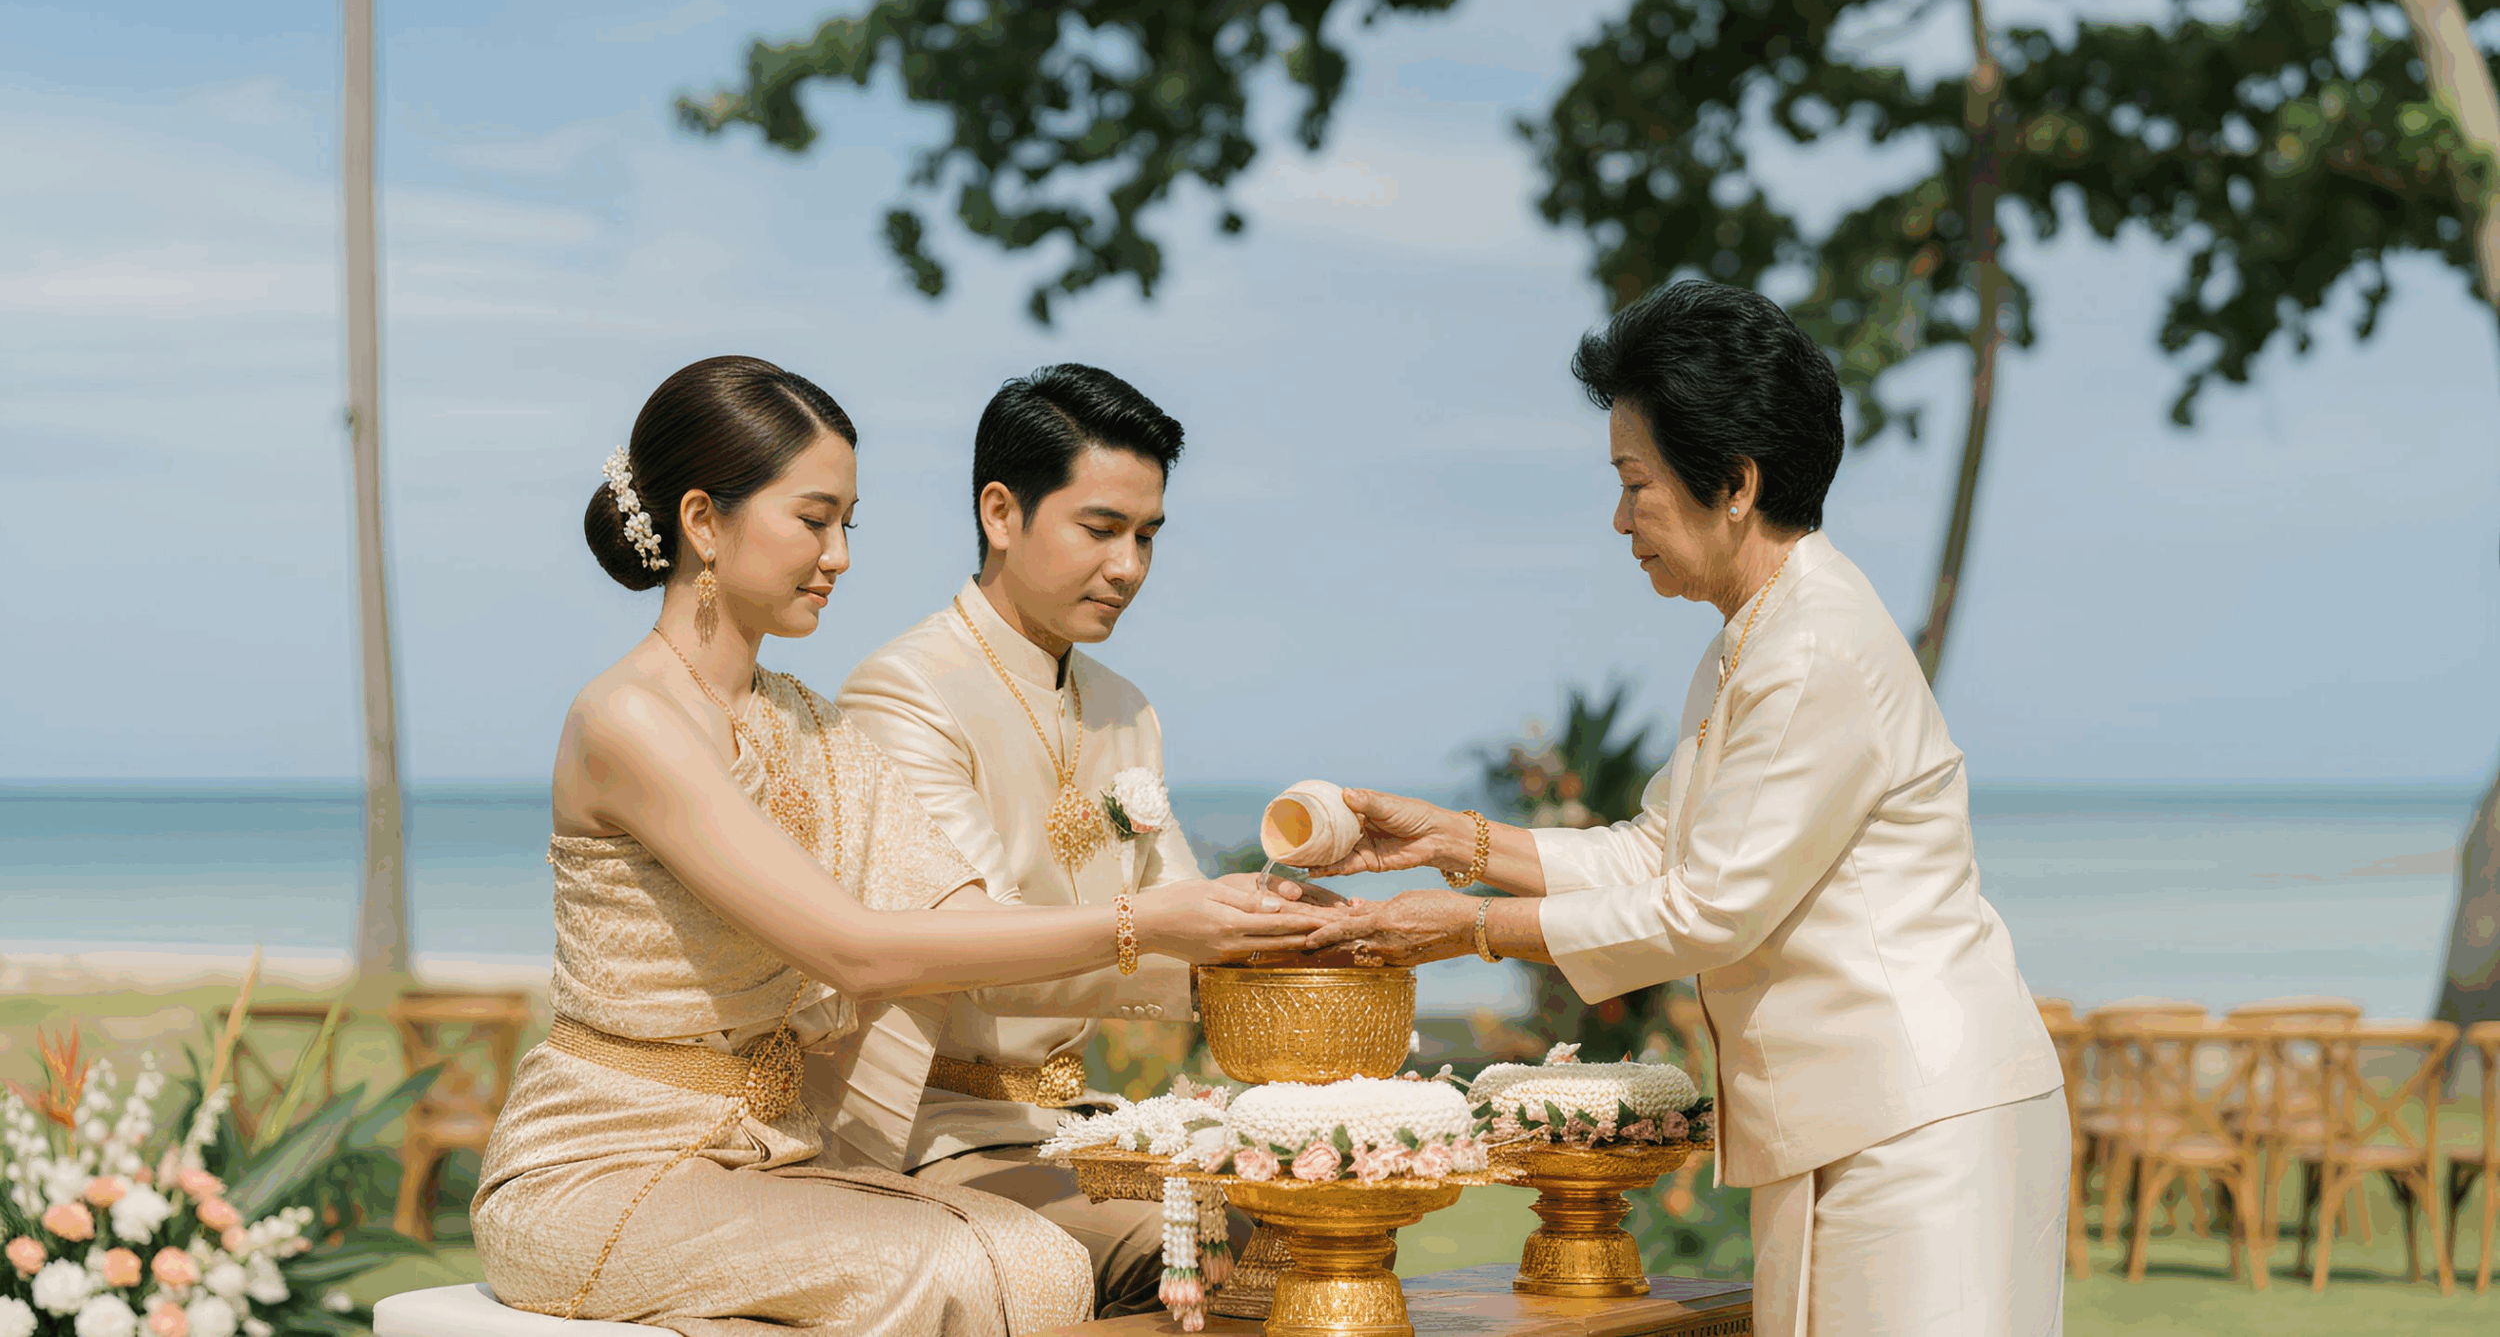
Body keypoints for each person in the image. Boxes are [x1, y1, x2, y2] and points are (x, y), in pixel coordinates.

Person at [470, 356, 1326, 1337]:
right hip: (611, 1166)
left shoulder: (809, 723)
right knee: (983, 1267)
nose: (839, 555)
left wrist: (1255, 923)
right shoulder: (631, 717)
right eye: (813, 519)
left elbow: (954, 914)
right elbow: (855, 948)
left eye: (850, 524)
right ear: (703, 522)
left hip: (771, 1153)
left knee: (1048, 1259)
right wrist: (1144, 923)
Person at [1303, 284, 2069, 1337]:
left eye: (1634, 482)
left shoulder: (1809, 647)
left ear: (1737, 483)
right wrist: (1460, 842)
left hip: (1919, 1119)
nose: (1621, 519)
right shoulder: (1747, 638)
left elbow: (1709, 908)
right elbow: (1660, 850)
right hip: (1857, 1115)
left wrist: (1470, 930)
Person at [827, 365, 1257, 1315]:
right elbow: (982, 958)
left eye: (1147, 536)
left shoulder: (1123, 708)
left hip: (1072, 1127)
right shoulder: (904, 691)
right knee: (1211, 1245)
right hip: (931, 1129)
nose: (1130, 566)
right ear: (1001, 512)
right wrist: (1189, 930)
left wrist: (1287, 938)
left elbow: (1186, 923)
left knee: (1302, 1215)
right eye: (1101, 530)